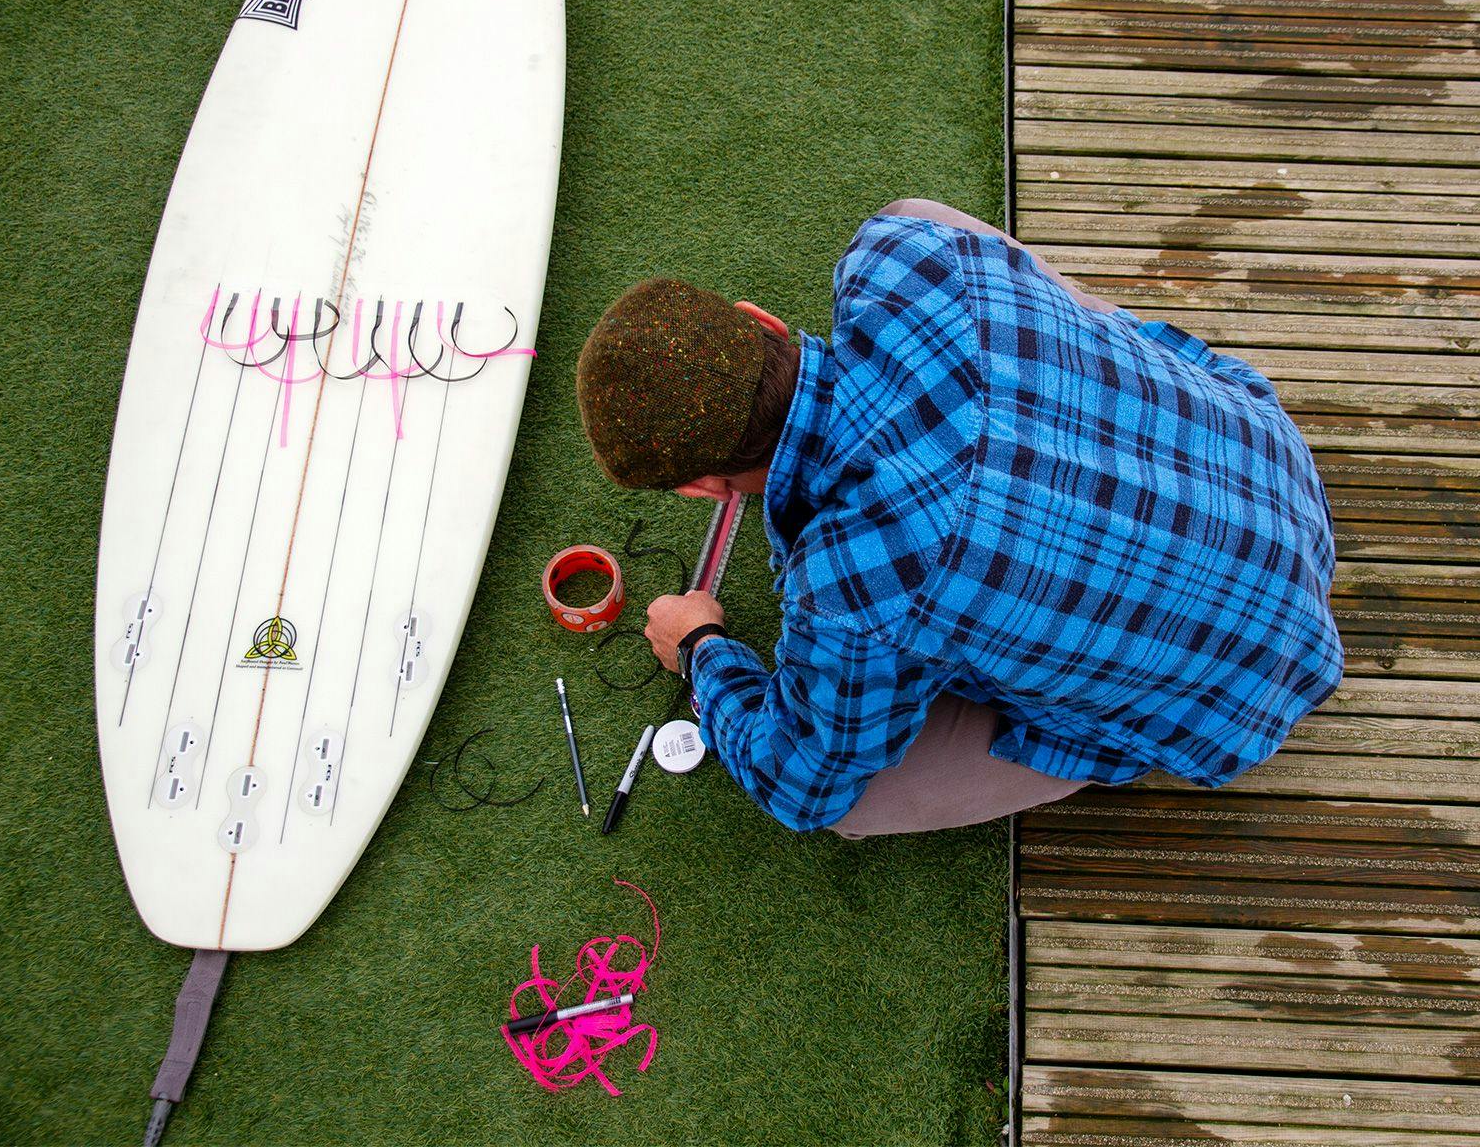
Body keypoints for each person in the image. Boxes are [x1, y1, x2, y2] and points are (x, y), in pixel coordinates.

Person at [575, 199, 1342, 837]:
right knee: (929, 215)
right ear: (763, 321)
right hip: (1280, 477)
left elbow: (799, 783)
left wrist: (701, 648)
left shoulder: (849, 588)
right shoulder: (899, 252)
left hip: (1236, 700)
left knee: (851, 801)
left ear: (704, 490)